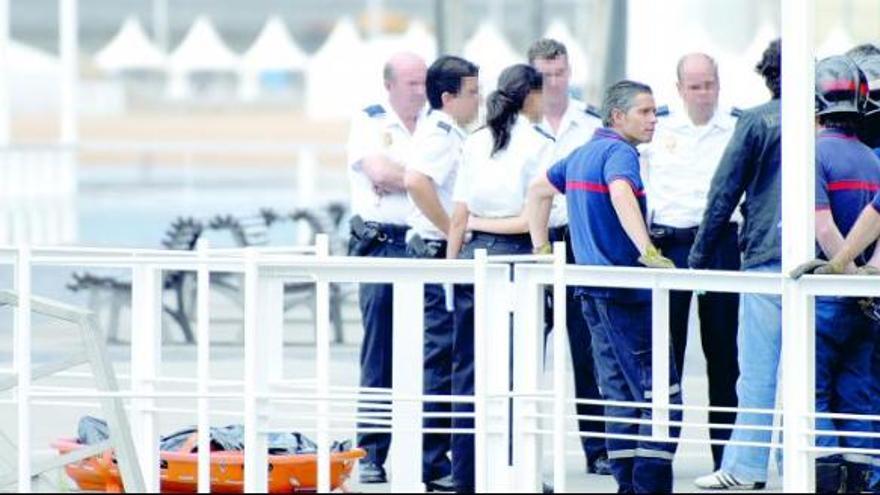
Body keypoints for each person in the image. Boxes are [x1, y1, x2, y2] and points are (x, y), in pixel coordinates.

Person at [527, 79, 681, 494]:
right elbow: (619, 191)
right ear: (617, 116)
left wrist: (542, 246)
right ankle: (649, 486)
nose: (653, 120)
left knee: (617, 394)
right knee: (661, 395)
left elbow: (539, 190)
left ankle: (625, 484)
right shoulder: (619, 152)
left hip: (592, 294)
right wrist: (647, 250)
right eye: (644, 112)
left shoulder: (580, 154)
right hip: (626, 294)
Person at [446, 64, 553, 493]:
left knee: (469, 373)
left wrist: (454, 268)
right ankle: (516, 474)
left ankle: (467, 477)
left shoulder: (476, 141)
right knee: (519, 374)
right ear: (531, 96)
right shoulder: (540, 144)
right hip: (517, 260)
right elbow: (533, 218)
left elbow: (459, 216)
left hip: (472, 258)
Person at [640, 52, 741, 470]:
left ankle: (727, 460)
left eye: (709, 84)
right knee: (667, 355)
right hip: (671, 247)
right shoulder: (657, 127)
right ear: (680, 89)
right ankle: (661, 456)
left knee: (723, 355)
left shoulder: (737, 127)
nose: (703, 94)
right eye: (695, 86)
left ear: (719, 83)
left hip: (720, 245)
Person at [691, 39, 782, 491]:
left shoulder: (756, 122)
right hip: (828, 260)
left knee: (758, 370)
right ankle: (811, 464)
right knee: (818, 373)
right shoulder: (824, 122)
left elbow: (724, 192)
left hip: (766, 254)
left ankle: (746, 467)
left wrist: (698, 258)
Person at [793, 44, 880, 493]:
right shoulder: (872, 158)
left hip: (825, 298)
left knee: (812, 391)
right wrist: (867, 282)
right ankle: (863, 482)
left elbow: (823, 227)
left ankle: (824, 480)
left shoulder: (812, 155)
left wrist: (843, 277)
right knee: (859, 394)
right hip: (865, 300)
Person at [527, 37, 611, 476]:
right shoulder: (517, 125)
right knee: (525, 347)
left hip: (579, 240)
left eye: (561, 73)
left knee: (587, 348)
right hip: (534, 238)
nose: (555, 82)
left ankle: (597, 447)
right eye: (545, 75)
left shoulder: (591, 122)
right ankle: (522, 448)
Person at [345, 51, 427, 484]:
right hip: (382, 245)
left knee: (435, 353)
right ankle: (372, 452)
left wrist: (405, 178)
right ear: (390, 85)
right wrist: (422, 179)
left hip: (426, 247)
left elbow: (439, 179)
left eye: (424, 82)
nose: (420, 91)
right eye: (412, 83)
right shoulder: (369, 122)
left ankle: (434, 456)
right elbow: (377, 168)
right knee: (379, 355)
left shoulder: (437, 122)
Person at [404, 55, 480, 492]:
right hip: (437, 251)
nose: (478, 100)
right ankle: (433, 461)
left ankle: (440, 457)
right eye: (471, 93)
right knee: (442, 357)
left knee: (447, 355)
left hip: (441, 249)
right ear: (448, 97)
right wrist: (449, 228)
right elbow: (417, 181)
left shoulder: (451, 131)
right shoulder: (440, 133)